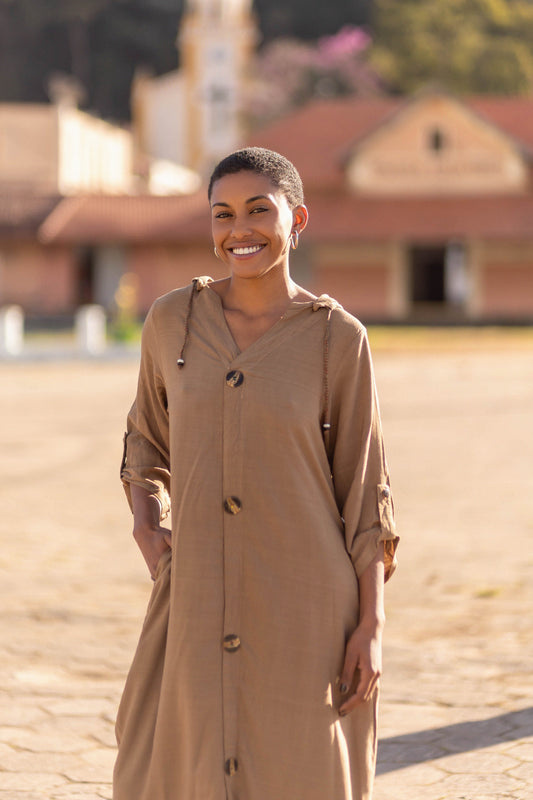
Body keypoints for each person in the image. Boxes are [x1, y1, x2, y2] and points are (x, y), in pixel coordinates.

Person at [114, 147, 398, 800]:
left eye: (256, 211)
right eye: (222, 215)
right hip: (194, 593)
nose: (238, 230)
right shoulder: (171, 322)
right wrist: (145, 522)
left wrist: (370, 626)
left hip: (306, 601)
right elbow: (144, 434)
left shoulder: (336, 339)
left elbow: (364, 491)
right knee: (170, 761)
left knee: (299, 769)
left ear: (295, 219)